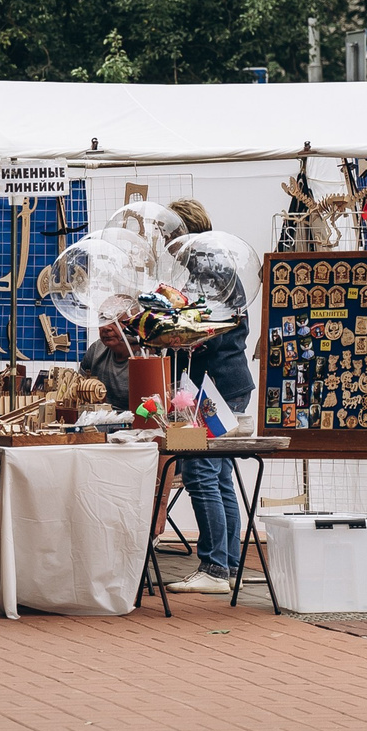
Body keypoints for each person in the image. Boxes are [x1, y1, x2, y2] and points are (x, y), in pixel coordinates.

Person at [166, 197, 256, 594]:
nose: (163, 241)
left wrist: (174, 334)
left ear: (182, 232)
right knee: (217, 475)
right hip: (226, 385)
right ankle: (228, 563)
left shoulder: (205, 271)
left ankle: (215, 568)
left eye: (167, 233)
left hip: (211, 389)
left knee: (200, 469)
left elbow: (211, 328)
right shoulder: (215, 267)